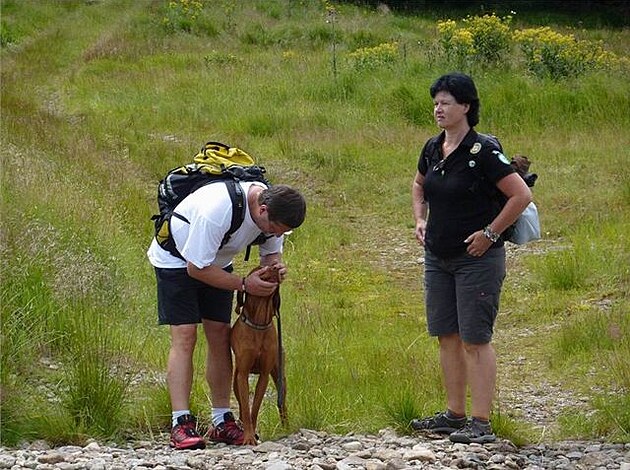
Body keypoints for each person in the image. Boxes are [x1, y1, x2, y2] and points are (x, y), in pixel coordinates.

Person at [409, 72, 532, 444]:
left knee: (475, 339)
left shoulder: (484, 153)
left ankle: (481, 422)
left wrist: (491, 233)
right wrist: (419, 219)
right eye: (435, 102)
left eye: (446, 102)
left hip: (477, 259)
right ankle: (454, 415)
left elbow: (520, 195)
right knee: (447, 335)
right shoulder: (433, 148)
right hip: (438, 257)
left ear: (466, 106)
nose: (438, 108)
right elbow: (418, 184)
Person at [147, 178, 306, 450]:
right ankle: (180, 423)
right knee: (185, 336)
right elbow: (195, 269)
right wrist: (245, 284)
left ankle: (222, 420)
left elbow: (270, 257)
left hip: (217, 262)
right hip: (176, 260)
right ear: (263, 210)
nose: (277, 235)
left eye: (284, 232)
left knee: (220, 334)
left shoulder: (272, 217)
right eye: (276, 229)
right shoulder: (218, 210)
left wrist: (276, 270)